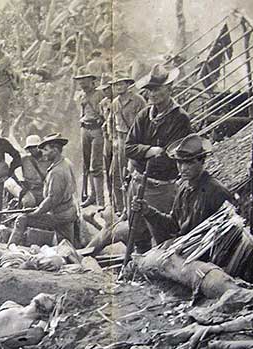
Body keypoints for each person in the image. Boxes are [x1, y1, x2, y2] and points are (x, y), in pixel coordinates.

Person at [125, 64, 192, 253]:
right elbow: (128, 148)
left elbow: (171, 157)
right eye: (149, 90)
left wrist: (148, 155)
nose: (152, 94)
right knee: (137, 233)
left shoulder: (180, 119)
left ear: (169, 88)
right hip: (138, 182)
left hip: (161, 187)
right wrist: (150, 151)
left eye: (157, 89)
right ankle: (138, 268)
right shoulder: (144, 115)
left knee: (162, 234)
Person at [130, 134, 234, 243]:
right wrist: (147, 211)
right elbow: (173, 225)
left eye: (190, 163)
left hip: (202, 254)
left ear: (202, 161)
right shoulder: (184, 186)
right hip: (183, 247)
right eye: (180, 162)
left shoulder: (217, 192)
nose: (183, 169)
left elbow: (228, 237)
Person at [8, 133, 78, 246]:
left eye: (45, 150)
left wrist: (37, 212)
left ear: (55, 150)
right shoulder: (65, 162)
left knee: (22, 219)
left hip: (60, 214)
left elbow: (52, 199)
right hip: (67, 210)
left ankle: (9, 250)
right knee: (66, 244)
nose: (43, 153)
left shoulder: (57, 172)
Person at [107, 69, 146, 215]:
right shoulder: (115, 103)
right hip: (121, 141)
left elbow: (146, 121)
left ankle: (131, 208)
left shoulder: (138, 101)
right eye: (115, 85)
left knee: (132, 175)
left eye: (121, 84)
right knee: (116, 175)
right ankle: (121, 207)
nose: (118, 87)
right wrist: (113, 139)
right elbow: (111, 122)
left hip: (135, 140)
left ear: (128, 85)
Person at [73, 69, 107, 207]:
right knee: (86, 165)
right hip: (85, 129)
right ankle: (91, 196)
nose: (82, 83)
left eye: (85, 80)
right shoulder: (81, 95)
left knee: (96, 166)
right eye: (80, 80)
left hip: (97, 130)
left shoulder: (99, 94)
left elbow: (105, 114)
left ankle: (100, 200)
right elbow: (81, 113)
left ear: (92, 80)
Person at [18, 135, 49, 208]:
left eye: (34, 147)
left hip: (47, 190)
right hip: (32, 191)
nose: (32, 149)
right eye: (30, 148)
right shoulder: (24, 160)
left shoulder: (48, 159)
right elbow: (12, 171)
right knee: (27, 202)